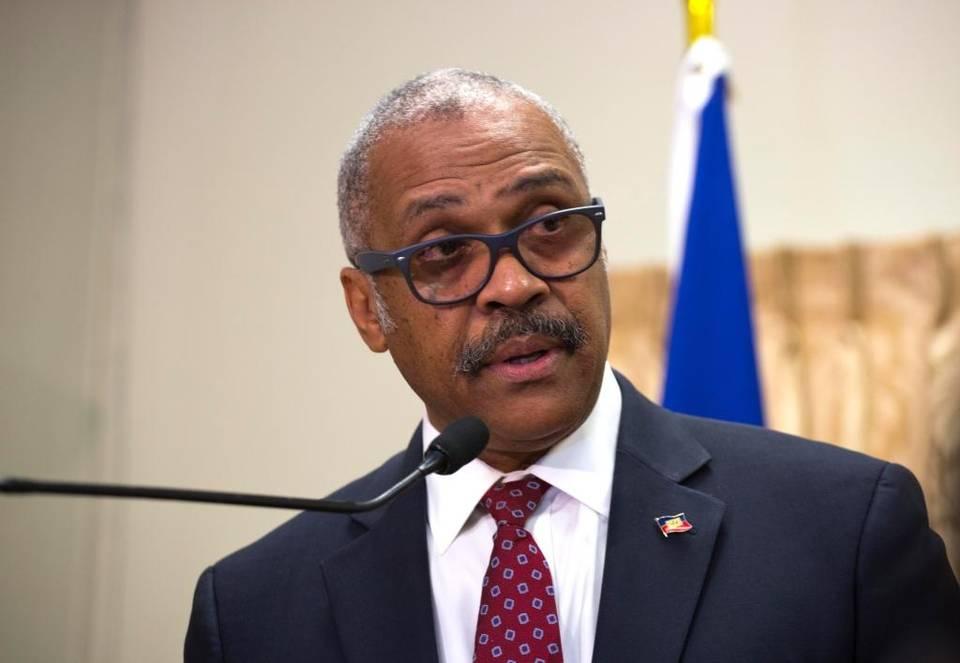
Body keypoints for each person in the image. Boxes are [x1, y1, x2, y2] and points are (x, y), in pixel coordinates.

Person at [184, 69, 959, 663]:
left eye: (551, 225)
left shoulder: (843, 529)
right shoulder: (255, 610)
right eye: (445, 252)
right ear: (367, 310)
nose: (515, 283)